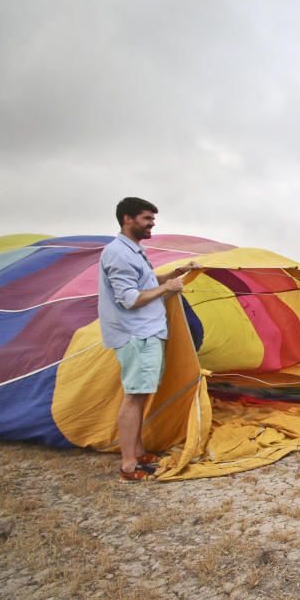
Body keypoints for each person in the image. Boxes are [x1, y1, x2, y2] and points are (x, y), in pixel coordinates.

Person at [98, 197, 200, 483]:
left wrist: (174, 274)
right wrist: (168, 287)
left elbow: (145, 282)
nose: (152, 224)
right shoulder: (118, 253)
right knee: (134, 397)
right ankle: (129, 466)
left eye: (153, 219)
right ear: (127, 219)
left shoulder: (134, 251)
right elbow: (130, 299)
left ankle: (138, 451)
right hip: (137, 334)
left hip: (147, 332)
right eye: (147, 219)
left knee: (141, 395)